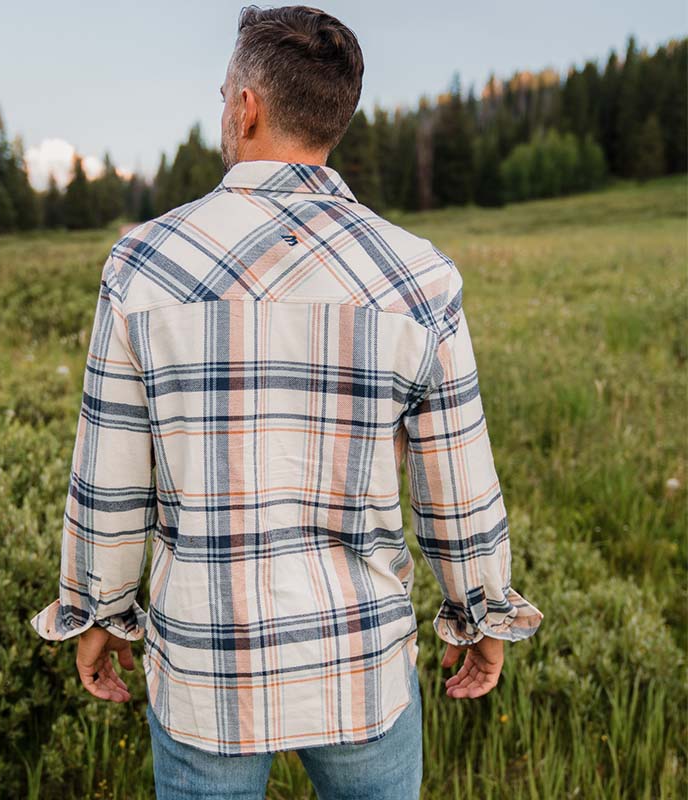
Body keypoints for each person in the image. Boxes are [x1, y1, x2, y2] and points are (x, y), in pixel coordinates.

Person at [29, 4, 544, 799]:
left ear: (246, 106)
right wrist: (479, 614)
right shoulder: (419, 277)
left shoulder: (142, 266)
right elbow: (457, 483)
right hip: (361, 665)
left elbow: (111, 479)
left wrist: (95, 611)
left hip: (206, 672)